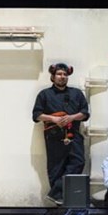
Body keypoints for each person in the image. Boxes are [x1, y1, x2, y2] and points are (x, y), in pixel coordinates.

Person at [32, 63, 90, 205]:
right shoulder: (44, 94)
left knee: (78, 162)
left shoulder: (77, 93)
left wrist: (71, 117)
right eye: (59, 74)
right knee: (56, 168)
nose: (62, 77)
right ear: (53, 77)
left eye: (65, 74)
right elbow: (37, 115)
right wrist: (54, 119)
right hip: (53, 136)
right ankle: (59, 198)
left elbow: (85, 113)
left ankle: (55, 193)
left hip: (73, 134)